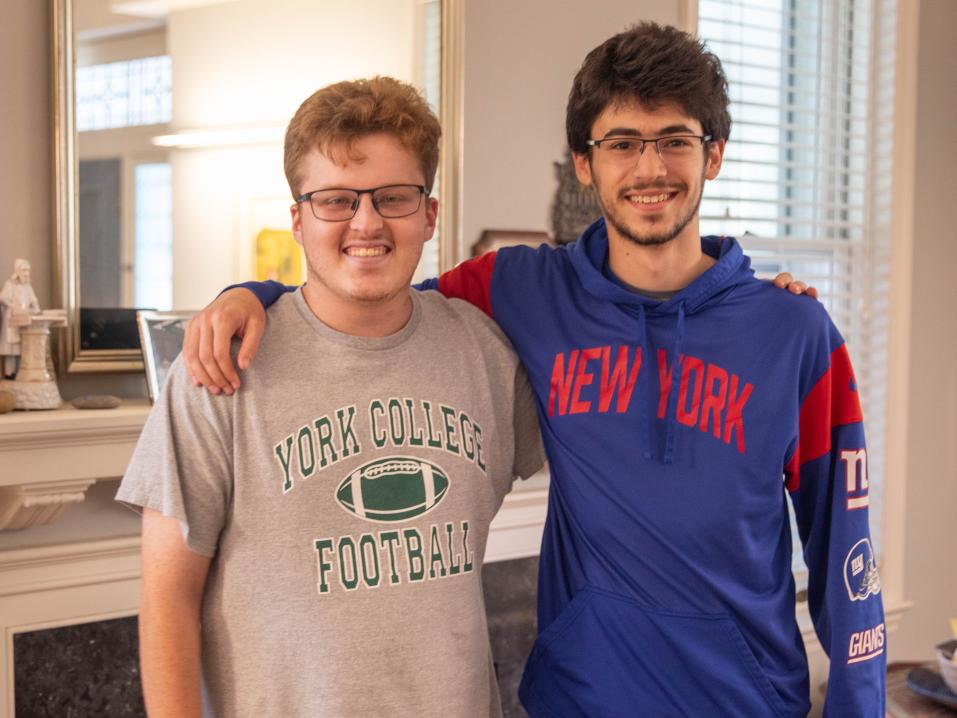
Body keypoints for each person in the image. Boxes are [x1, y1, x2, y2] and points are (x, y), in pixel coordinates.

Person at [185, 23, 884, 717]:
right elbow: (368, 289)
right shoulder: (522, 290)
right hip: (580, 700)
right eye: (621, 144)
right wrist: (254, 295)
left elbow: (844, 553)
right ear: (583, 162)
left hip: (741, 702)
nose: (649, 169)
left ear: (714, 154)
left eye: (675, 140)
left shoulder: (793, 332)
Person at [116, 77, 543, 718]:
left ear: (428, 213)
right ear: (297, 219)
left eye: (394, 198)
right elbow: (168, 599)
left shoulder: (485, 356)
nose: (366, 222)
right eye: (336, 200)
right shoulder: (221, 368)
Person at [0, 258, 41, 378]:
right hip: (12, 320)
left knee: (21, 348)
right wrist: (13, 306)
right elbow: (2, 298)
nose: (26, 272)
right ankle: (9, 373)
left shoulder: (28, 286)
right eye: (24, 270)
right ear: (18, 271)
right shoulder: (10, 284)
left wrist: (35, 309)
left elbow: (34, 300)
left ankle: (19, 373)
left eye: (28, 270)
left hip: (24, 320)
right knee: (11, 350)